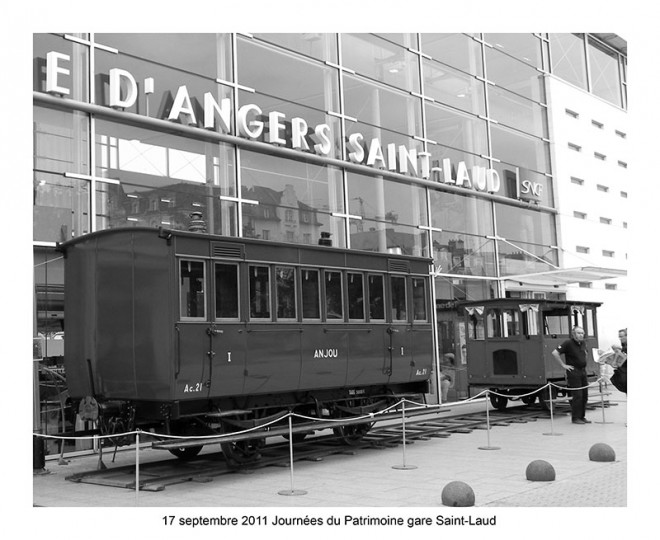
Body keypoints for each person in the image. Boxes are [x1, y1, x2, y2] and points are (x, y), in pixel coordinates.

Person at [551, 326, 591, 424]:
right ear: (573, 334)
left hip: (582, 371)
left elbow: (586, 353)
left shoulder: (583, 343)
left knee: (585, 395)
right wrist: (563, 365)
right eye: (578, 333)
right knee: (578, 395)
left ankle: (582, 416)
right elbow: (555, 353)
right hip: (574, 372)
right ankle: (575, 417)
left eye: (582, 333)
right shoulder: (568, 343)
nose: (581, 335)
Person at [610, 328, 627, 393]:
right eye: (619, 337)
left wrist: (620, 348)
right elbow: (622, 352)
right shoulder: (623, 344)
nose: (620, 338)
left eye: (622, 337)